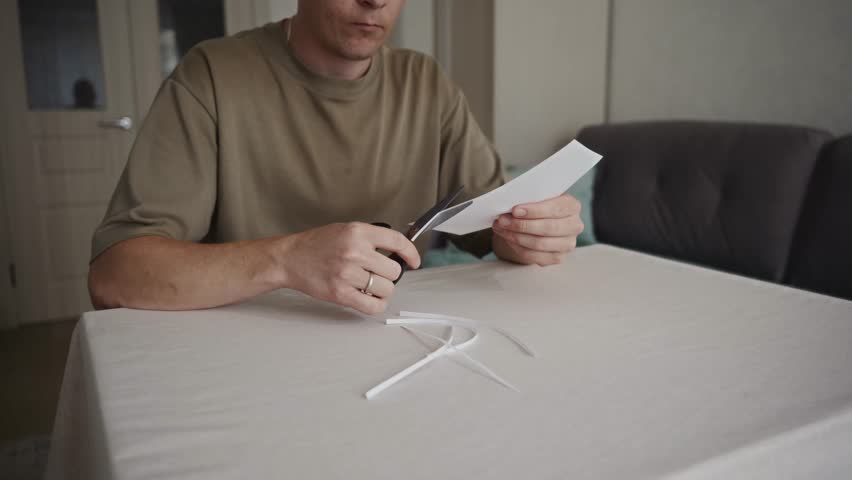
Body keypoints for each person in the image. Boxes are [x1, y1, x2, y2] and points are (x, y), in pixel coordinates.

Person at [88, 0, 584, 315]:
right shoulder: (211, 76)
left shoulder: (426, 83)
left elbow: (492, 229)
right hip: (246, 348)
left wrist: (531, 234)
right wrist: (286, 260)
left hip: (393, 338)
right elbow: (116, 274)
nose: (376, 1)